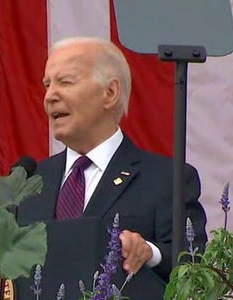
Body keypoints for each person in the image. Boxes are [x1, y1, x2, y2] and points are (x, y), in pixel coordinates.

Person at [18, 37, 207, 282]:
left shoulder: (167, 180)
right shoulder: (28, 183)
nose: (50, 96)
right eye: (47, 85)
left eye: (65, 82)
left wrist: (151, 253)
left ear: (110, 92)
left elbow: (194, 268)